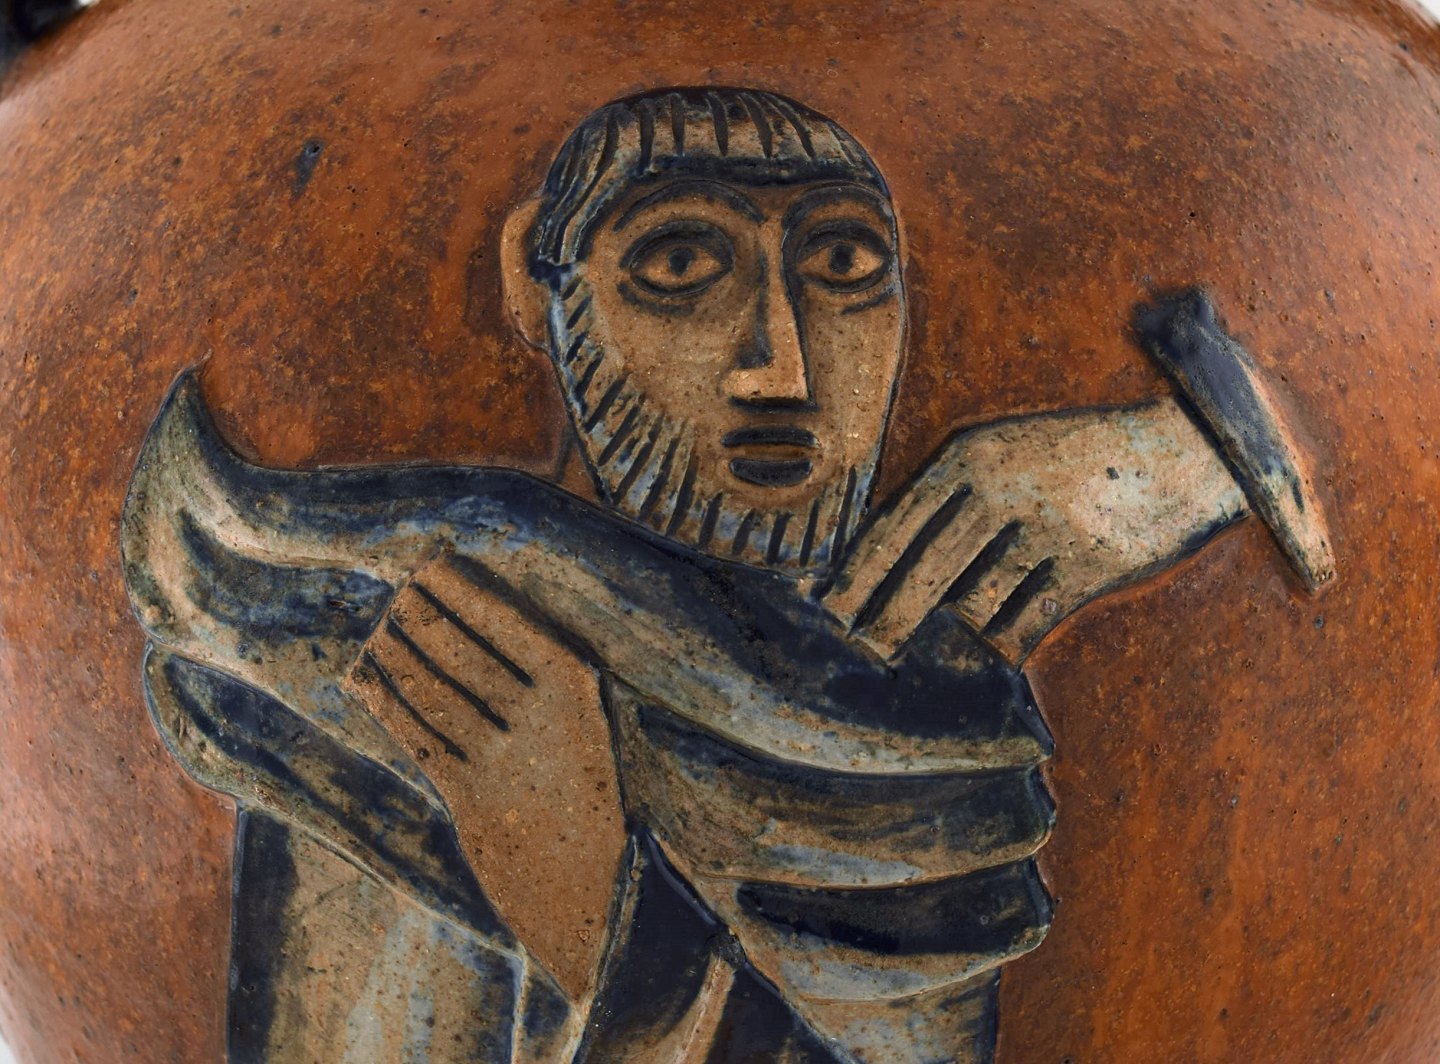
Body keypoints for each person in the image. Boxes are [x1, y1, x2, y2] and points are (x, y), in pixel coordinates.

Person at [122, 87, 1331, 1063]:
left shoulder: (943, 716)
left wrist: (1218, 444)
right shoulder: (424, 654)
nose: (780, 367)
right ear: (538, 288)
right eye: (680, 263)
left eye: (844, 262)